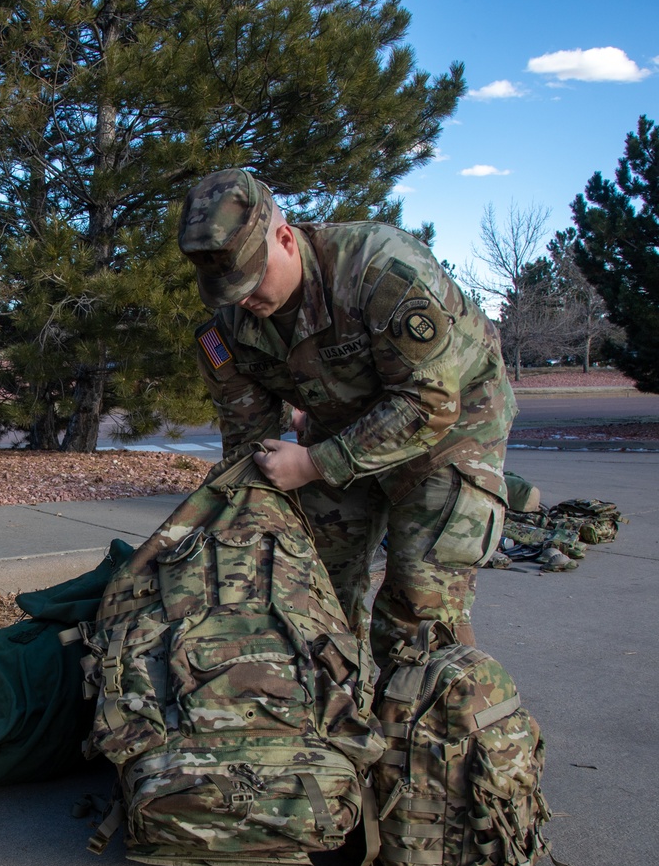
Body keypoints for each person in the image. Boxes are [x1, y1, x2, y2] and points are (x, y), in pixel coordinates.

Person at [177, 167, 516, 676]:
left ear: (286, 240)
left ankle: (419, 744)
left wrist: (315, 463)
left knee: (417, 613)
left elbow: (428, 403)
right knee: (311, 591)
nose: (243, 299)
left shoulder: (381, 271)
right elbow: (248, 441)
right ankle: (339, 726)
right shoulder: (224, 331)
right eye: (227, 289)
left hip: (452, 428)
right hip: (339, 428)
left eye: (250, 278)